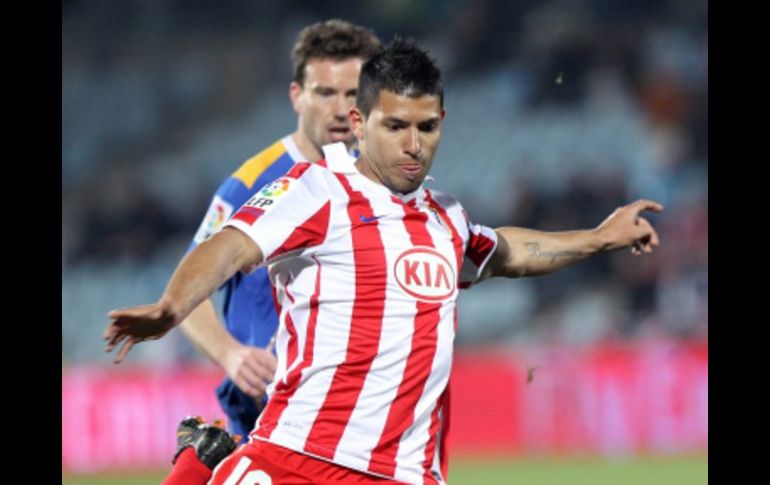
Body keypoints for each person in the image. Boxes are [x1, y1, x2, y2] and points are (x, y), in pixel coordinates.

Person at [104, 38, 662, 485]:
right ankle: (195, 466)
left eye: (427, 126)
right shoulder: (314, 190)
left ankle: (201, 462)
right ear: (361, 119)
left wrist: (598, 237)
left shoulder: (445, 219)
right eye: (395, 126)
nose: (413, 144)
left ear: (443, 119)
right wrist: (171, 307)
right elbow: (228, 246)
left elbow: (509, 252)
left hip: (405, 474)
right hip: (299, 457)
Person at [106, 19, 381, 445]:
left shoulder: (379, 181)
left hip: (351, 417)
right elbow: (193, 287)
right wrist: (230, 354)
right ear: (297, 96)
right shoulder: (251, 182)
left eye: (352, 94)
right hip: (268, 419)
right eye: (325, 93)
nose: (340, 108)